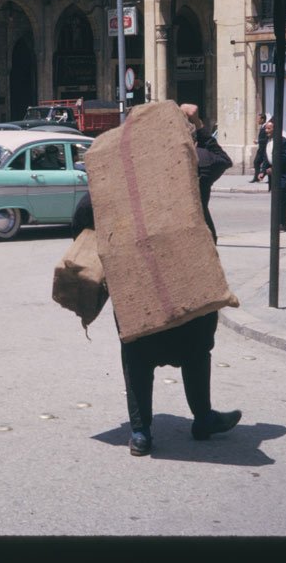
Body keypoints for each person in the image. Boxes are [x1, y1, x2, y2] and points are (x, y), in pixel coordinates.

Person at [71, 190, 241, 458]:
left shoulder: (111, 182)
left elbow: (81, 220)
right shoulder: (176, 174)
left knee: (137, 360)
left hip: (135, 293)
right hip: (185, 289)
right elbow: (209, 233)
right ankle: (203, 419)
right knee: (195, 355)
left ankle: (141, 434)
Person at [181, 103, 232, 243]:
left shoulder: (168, 160)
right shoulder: (204, 160)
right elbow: (226, 160)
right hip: (203, 232)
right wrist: (199, 125)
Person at [257, 119, 286, 231]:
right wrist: (263, 171)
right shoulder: (268, 142)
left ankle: (281, 223)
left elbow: (285, 158)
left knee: (282, 200)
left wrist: (274, 169)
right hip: (274, 176)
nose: (266, 131)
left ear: (275, 129)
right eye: (266, 128)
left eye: (269, 128)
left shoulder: (284, 142)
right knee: (278, 200)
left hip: (285, 176)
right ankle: (281, 223)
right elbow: (266, 158)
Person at [250, 113, 268, 183]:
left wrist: (258, 141)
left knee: (268, 164)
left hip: (265, 149)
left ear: (262, 119)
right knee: (256, 162)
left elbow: (266, 139)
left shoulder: (266, 127)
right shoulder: (262, 127)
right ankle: (256, 178)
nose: (257, 120)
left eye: (258, 119)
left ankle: (270, 179)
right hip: (261, 149)